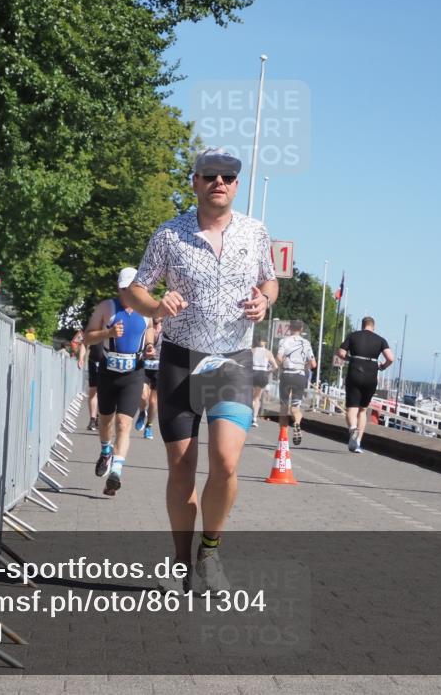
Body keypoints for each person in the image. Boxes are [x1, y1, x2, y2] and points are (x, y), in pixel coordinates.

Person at [124, 147, 277, 593]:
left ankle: (210, 551)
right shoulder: (170, 235)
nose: (220, 183)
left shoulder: (254, 232)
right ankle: (179, 563)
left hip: (230, 359)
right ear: (195, 182)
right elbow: (136, 290)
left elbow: (271, 279)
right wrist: (156, 303)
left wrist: (265, 301)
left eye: (228, 176)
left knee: (226, 461)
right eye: (210, 175)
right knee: (181, 468)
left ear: (236, 184)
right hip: (180, 358)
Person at [83, 268, 155, 496]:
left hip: (133, 373)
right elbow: (86, 337)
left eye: (131, 289)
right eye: (123, 289)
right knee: (106, 421)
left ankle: (116, 472)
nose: (127, 293)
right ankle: (106, 451)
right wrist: (108, 334)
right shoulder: (107, 307)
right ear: (119, 288)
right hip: (108, 373)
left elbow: (150, 328)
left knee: (124, 424)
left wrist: (150, 346)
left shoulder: (147, 309)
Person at [336, 316, 394, 452]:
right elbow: (390, 358)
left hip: (355, 372)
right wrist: (383, 367)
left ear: (362, 325)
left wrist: (350, 358)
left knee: (352, 407)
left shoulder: (353, 336)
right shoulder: (380, 340)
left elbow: (340, 352)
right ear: (373, 326)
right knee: (363, 409)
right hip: (371, 375)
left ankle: (352, 429)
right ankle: (357, 442)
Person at [276, 320, 316, 446]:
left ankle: (283, 437)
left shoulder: (284, 341)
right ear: (302, 329)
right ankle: (297, 424)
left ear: (289, 328)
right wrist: (305, 366)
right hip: (300, 376)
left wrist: (280, 365)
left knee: (283, 407)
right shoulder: (306, 343)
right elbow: (313, 364)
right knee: (295, 407)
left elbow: (278, 358)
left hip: (287, 374)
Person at [135, 316, 164, 440]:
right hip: (145, 366)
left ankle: (149, 426)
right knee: (143, 395)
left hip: (159, 369)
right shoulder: (146, 327)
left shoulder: (167, 329)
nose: (158, 316)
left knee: (153, 402)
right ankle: (142, 412)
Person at [75, 328, 102, 431]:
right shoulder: (93, 327)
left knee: (104, 393)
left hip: (108, 363)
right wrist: (81, 358)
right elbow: (84, 344)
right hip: (94, 362)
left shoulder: (112, 324)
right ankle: (92, 419)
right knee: (93, 391)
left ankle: (100, 417)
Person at [250, 338, 277, 427]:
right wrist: (268, 372)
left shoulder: (251, 351)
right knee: (257, 398)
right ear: (265, 342)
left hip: (253, 372)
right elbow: (275, 366)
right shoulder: (268, 353)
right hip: (262, 373)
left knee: (249, 396)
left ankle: (247, 415)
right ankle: (254, 419)